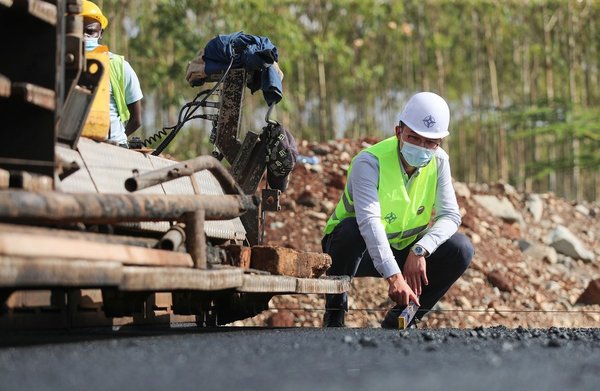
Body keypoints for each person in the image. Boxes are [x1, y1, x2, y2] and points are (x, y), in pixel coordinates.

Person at [322, 92, 474, 328]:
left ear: (440, 142)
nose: (422, 147)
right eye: (414, 138)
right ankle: (335, 312)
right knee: (350, 230)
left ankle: (405, 316)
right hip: (355, 252)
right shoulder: (369, 162)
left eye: (431, 142)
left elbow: (451, 215)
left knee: (460, 249)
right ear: (398, 131)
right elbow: (369, 223)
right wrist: (394, 277)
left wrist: (421, 249)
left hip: (406, 247)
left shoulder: (440, 161)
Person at [81, 0, 143, 148]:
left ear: (100, 33)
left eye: (90, 31)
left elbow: (136, 119)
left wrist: (118, 141)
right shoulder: (56, 62)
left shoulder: (119, 66)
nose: (84, 36)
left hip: (112, 147)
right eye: (78, 30)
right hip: (70, 145)